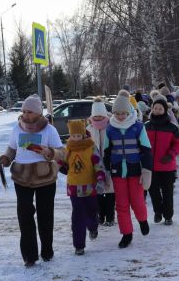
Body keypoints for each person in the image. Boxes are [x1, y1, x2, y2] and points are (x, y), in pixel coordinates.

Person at [0, 95, 65, 267]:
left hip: (45, 178)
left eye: (29, 112)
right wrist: (6, 158)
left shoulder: (49, 130)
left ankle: (47, 251)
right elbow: (12, 148)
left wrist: (49, 152)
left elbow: (61, 152)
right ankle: (29, 255)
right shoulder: (17, 128)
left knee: (45, 216)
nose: (25, 115)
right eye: (24, 111)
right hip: (22, 178)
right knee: (25, 216)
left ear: (38, 112)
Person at [103, 92, 153, 248]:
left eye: (123, 113)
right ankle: (126, 234)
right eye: (117, 113)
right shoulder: (110, 129)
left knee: (138, 201)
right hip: (118, 171)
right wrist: (107, 172)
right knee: (121, 205)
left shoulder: (138, 127)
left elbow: (146, 150)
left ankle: (143, 220)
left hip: (135, 170)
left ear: (129, 112)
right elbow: (106, 152)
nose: (120, 116)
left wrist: (146, 171)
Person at [61, 119, 105, 255]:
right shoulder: (68, 148)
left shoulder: (90, 147)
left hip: (89, 187)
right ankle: (79, 245)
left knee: (91, 212)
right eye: (73, 136)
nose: (76, 138)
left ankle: (93, 227)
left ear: (83, 135)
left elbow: (98, 163)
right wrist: (57, 164)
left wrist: (100, 177)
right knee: (78, 216)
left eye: (78, 136)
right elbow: (62, 164)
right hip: (74, 187)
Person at [145, 98, 179, 226]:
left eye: (160, 109)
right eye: (155, 108)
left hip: (167, 166)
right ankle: (158, 212)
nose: (157, 111)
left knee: (167, 192)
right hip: (151, 166)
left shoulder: (172, 127)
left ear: (165, 110)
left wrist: (170, 155)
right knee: (153, 192)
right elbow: (141, 144)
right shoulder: (146, 126)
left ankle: (168, 216)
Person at [87, 98, 114, 226]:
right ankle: (100, 215)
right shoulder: (89, 128)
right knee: (97, 191)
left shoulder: (110, 127)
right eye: (95, 115)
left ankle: (110, 217)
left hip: (109, 163)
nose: (97, 117)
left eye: (100, 115)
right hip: (94, 165)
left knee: (109, 191)